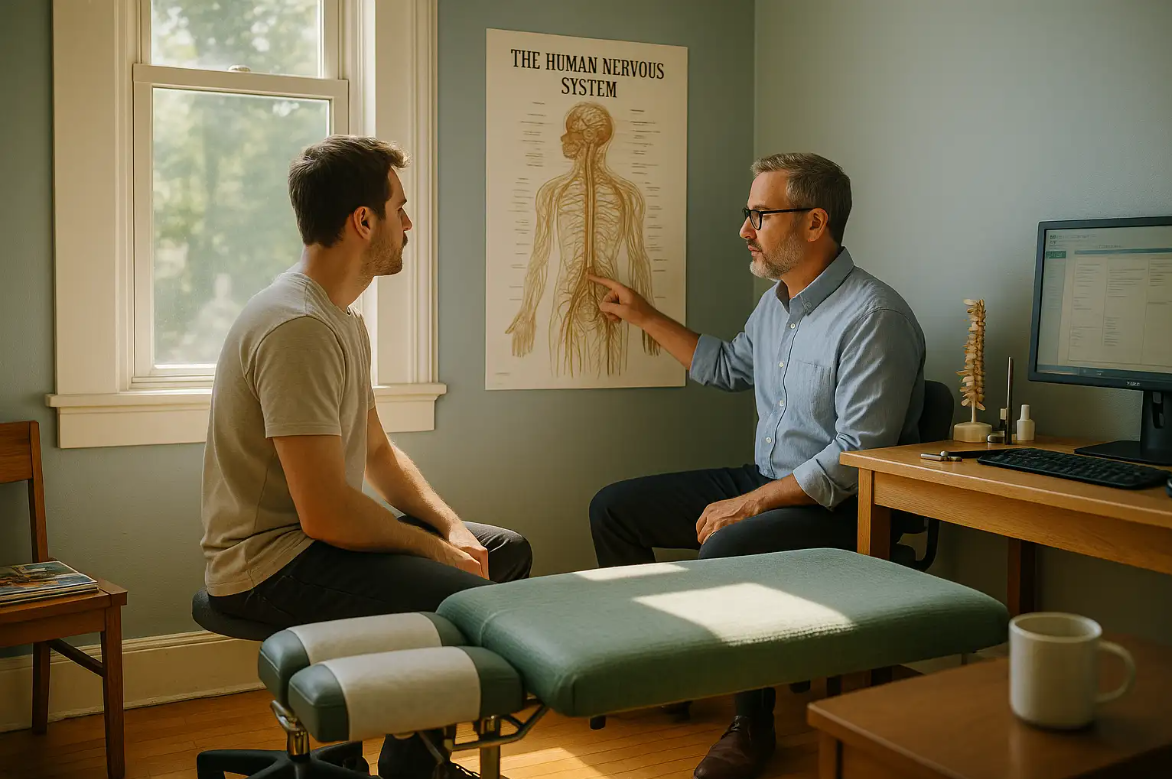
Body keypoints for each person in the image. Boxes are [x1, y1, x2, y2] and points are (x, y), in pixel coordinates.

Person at [199, 134, 532, 779]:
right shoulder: (296, 328)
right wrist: (438, 553)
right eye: (399, 207)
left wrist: (451, 527)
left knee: (503, 552)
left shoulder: (340, 318)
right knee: (460, 592)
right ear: (363, 221)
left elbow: (377, 450)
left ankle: (414, 753)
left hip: (309, 542)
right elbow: (325, 514)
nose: (408, 224)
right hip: (267, 562)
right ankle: (416, 765)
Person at [587, 153, 925, 779]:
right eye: (749, 214)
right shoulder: (776, 305)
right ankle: (668, 670)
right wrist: (641, 314)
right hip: (767, 481)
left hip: (838, 508)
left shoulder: (875, 317)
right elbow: (725, 367)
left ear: (815, 222)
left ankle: (752, 726)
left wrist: (756, 502)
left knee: (730, 548)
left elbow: (858, 455)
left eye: (760, 215)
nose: (746, 229)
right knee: (614, 508)